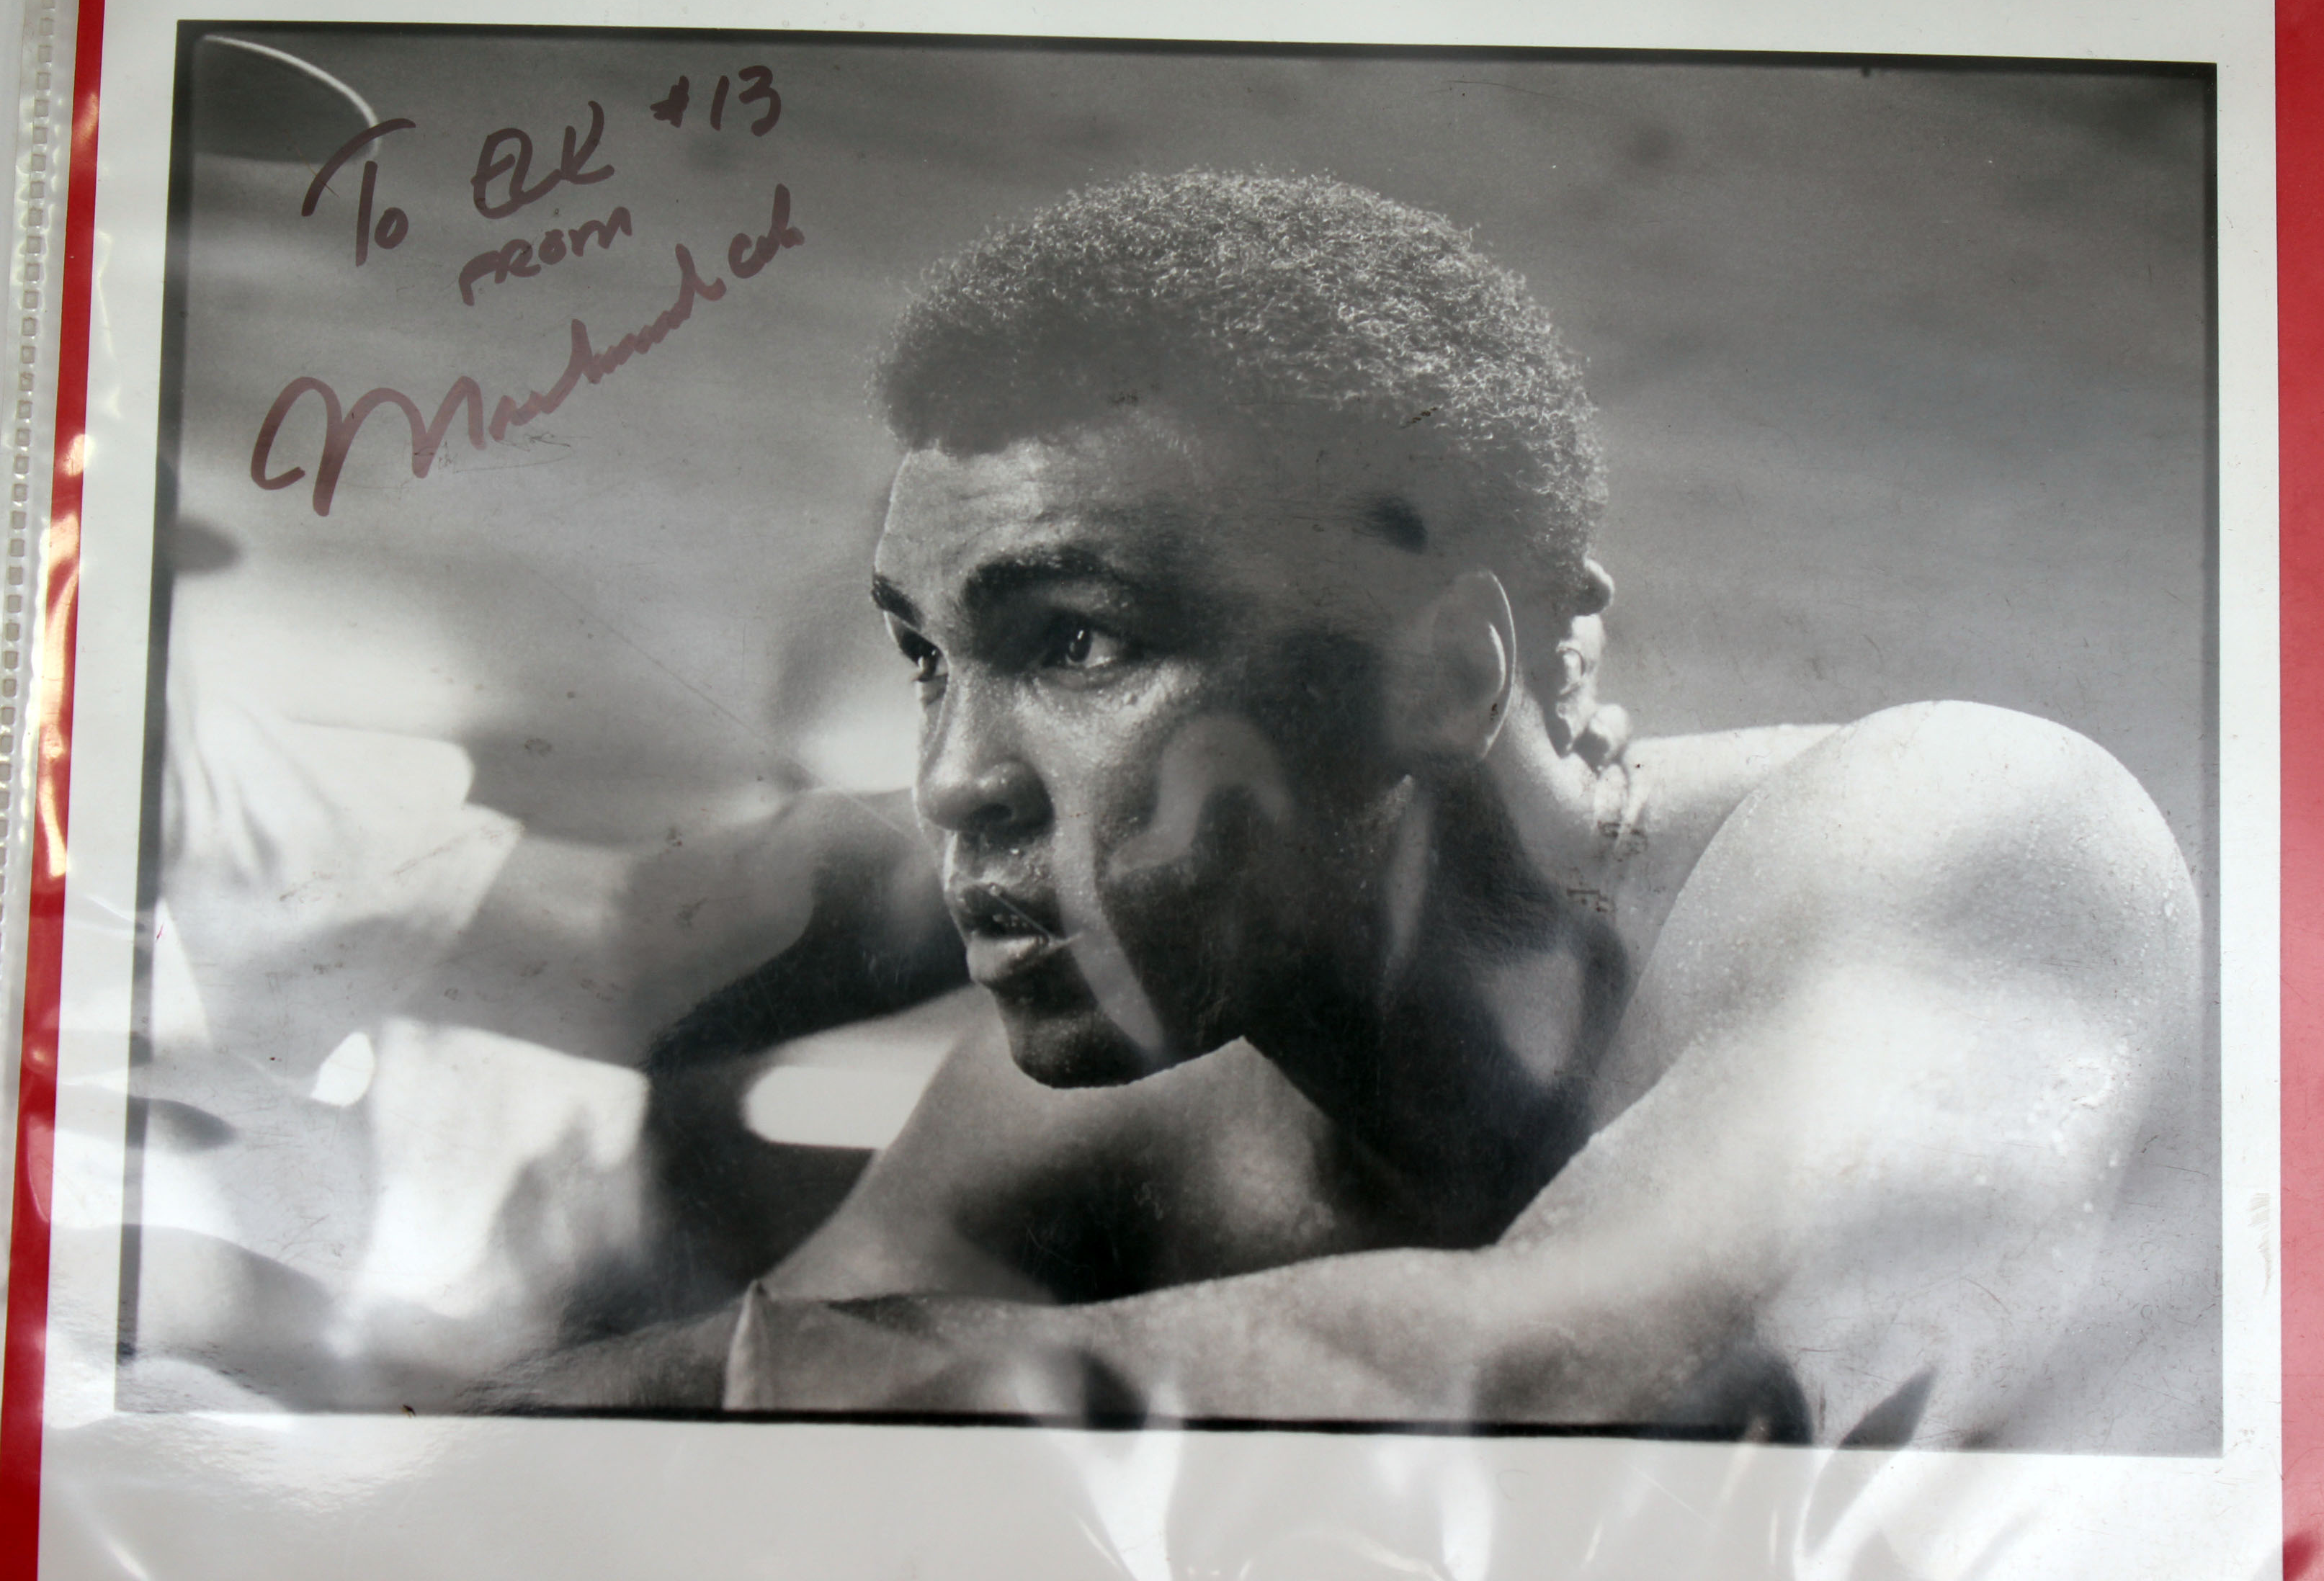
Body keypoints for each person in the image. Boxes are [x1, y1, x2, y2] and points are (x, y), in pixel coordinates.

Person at [494, 171, 2207, 1451]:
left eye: (1072, 641)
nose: (952, 778)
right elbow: (729, 1479)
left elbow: (1615, 1385)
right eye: (929, 660)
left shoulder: (1958, 827)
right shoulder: (1074, 1132)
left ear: (1446, 676)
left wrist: (682, 1386)